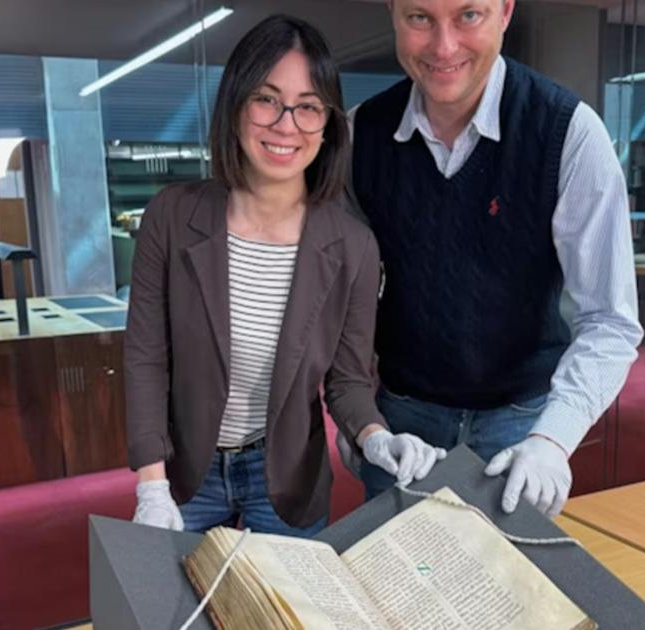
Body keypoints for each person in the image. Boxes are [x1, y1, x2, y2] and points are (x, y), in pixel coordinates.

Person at [125, 14, 445, 537]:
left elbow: (347, 382)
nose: (286, 124)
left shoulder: (353, 247)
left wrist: (376, 437)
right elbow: (145, 359)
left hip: (286, 476)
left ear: (328, 124)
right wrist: (150, 486)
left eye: (308, 107)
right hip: (183, 473)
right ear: (235, 106)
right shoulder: (172, 216)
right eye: (266, 99)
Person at [342, 0, 643, 518]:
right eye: (419, 18)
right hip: (404, 421)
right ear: (392, 12)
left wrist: (552, 440)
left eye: (468, 16)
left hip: (521, 419)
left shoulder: (568, 133)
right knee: (394, 586)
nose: (444, 46)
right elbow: (336, 302)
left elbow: (610, 322)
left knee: (502, 592)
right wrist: (360, 427)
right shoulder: (358, 136)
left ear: (505, 11)